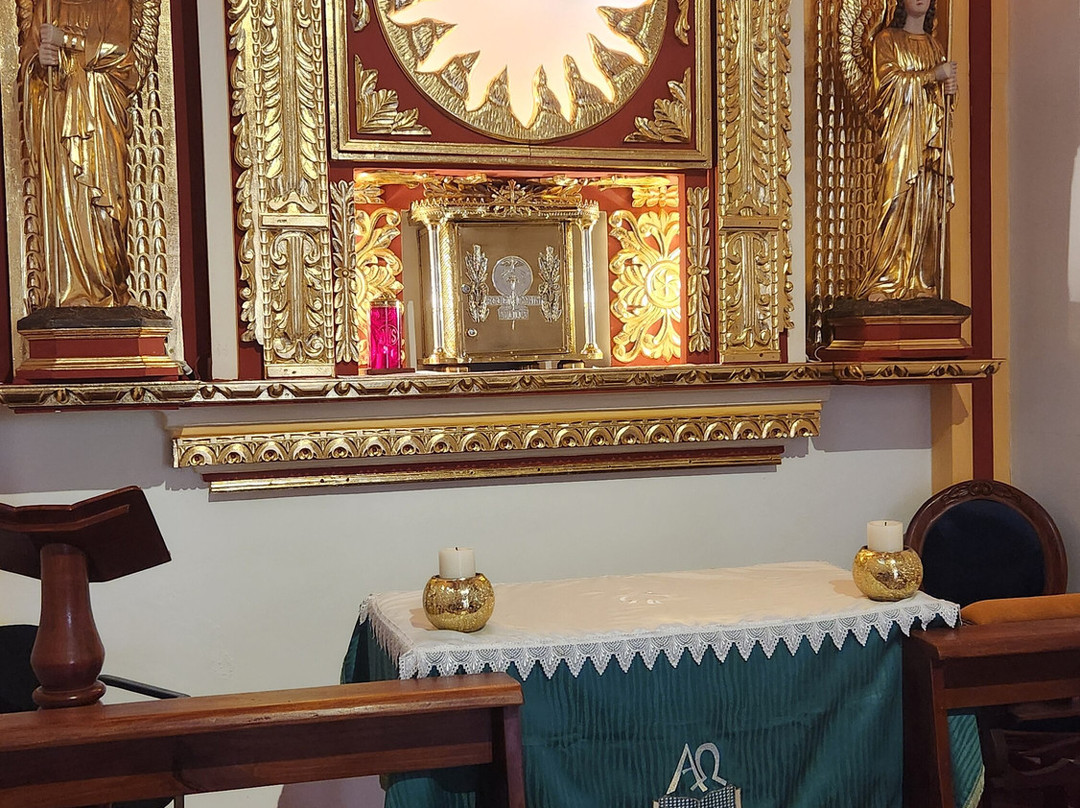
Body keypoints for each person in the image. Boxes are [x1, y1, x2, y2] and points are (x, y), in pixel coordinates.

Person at [19, 0, 141, 307]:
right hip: (61, 120)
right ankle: (71, 294)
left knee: (108, 207)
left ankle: (112, 288)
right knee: (66, 200)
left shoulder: (115, 4)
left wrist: (66, 41)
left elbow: (121, 52)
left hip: (101, 118)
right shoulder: (49, 6)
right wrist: (40, 63)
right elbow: (28, 67)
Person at [856, 0, 957, 301]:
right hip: (900, 139)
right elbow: (887, 84)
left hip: (926, 143)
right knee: (895, 202)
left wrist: (949, 91)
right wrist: (932, 76)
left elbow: (941, 107)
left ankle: (920, 281)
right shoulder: (886, 40)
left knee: (924, 208)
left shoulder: (935, 46)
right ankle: (885, 279)